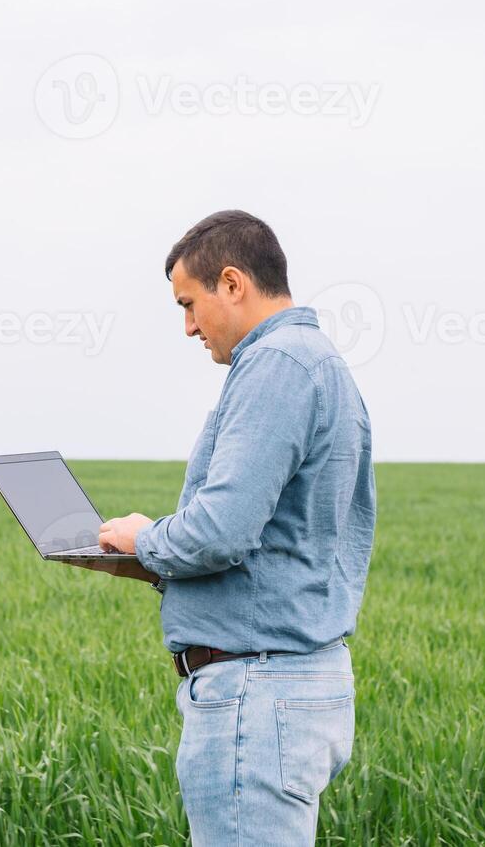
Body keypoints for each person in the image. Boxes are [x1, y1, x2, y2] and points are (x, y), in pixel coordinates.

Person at [76, 210, 377, 845]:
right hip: (289, 682)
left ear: (233, 283)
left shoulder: (277, 366)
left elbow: (221, 532)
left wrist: (144, 537)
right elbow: (275, 548)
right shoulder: (317, 362)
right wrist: (140, 560)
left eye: (189, 303)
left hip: (257, 692)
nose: (188, 326)